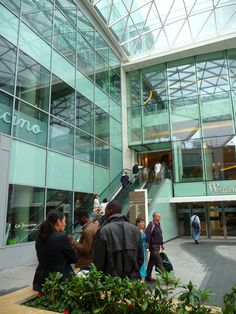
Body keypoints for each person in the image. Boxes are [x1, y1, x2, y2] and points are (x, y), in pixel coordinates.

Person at [93, 200, 144, 280]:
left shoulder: (104, 231)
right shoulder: (135, 230)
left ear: (110, 210)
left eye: (105, 210)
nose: (104, 213)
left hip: (111, 283)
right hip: (133, 283)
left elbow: (98, 261)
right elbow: (140, 258)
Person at [33, 210, 77, 292]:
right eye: (64, 221)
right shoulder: (62, 237)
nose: (65, 224)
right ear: (59, 221)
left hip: (41, 280)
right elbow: (74, 258)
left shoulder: (39, 236)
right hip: (59, 281)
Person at [145, 212, 164, 282]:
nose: (159, 217)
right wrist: (147, 243)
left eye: (159, 216)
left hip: (158, 247)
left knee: (151, 263)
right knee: (159, 262)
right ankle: (166, 278)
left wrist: (162, 244)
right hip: (153, 247)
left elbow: (160, 235)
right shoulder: (151, 224)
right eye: (158, 216)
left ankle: (147, 277)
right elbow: (147, 234)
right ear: (154, 217)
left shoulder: (158, 225)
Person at [136, 217, 147, 281]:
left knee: (144, 263)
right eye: (142, 222)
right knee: (141, 264)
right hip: (140, 250)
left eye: (143, 222)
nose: (143, 224)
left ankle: (142, 280)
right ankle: (141, 280)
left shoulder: (142, 230)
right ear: (137, 223)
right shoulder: (136, 231)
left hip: (144, 249)